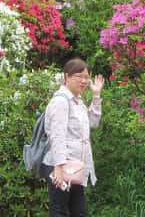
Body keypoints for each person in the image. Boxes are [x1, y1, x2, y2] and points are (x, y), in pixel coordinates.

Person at [42, 58, 104, 217]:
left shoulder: (77, 102)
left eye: (86, 77)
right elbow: (57, 136)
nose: (84, 81)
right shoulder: (61, 102)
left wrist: (96, 96)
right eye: (79, 76)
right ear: (67, 76)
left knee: (79, 211)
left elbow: (92, 123)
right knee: (59, 210)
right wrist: (58, 167)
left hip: (76, 167)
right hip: (62, 166)